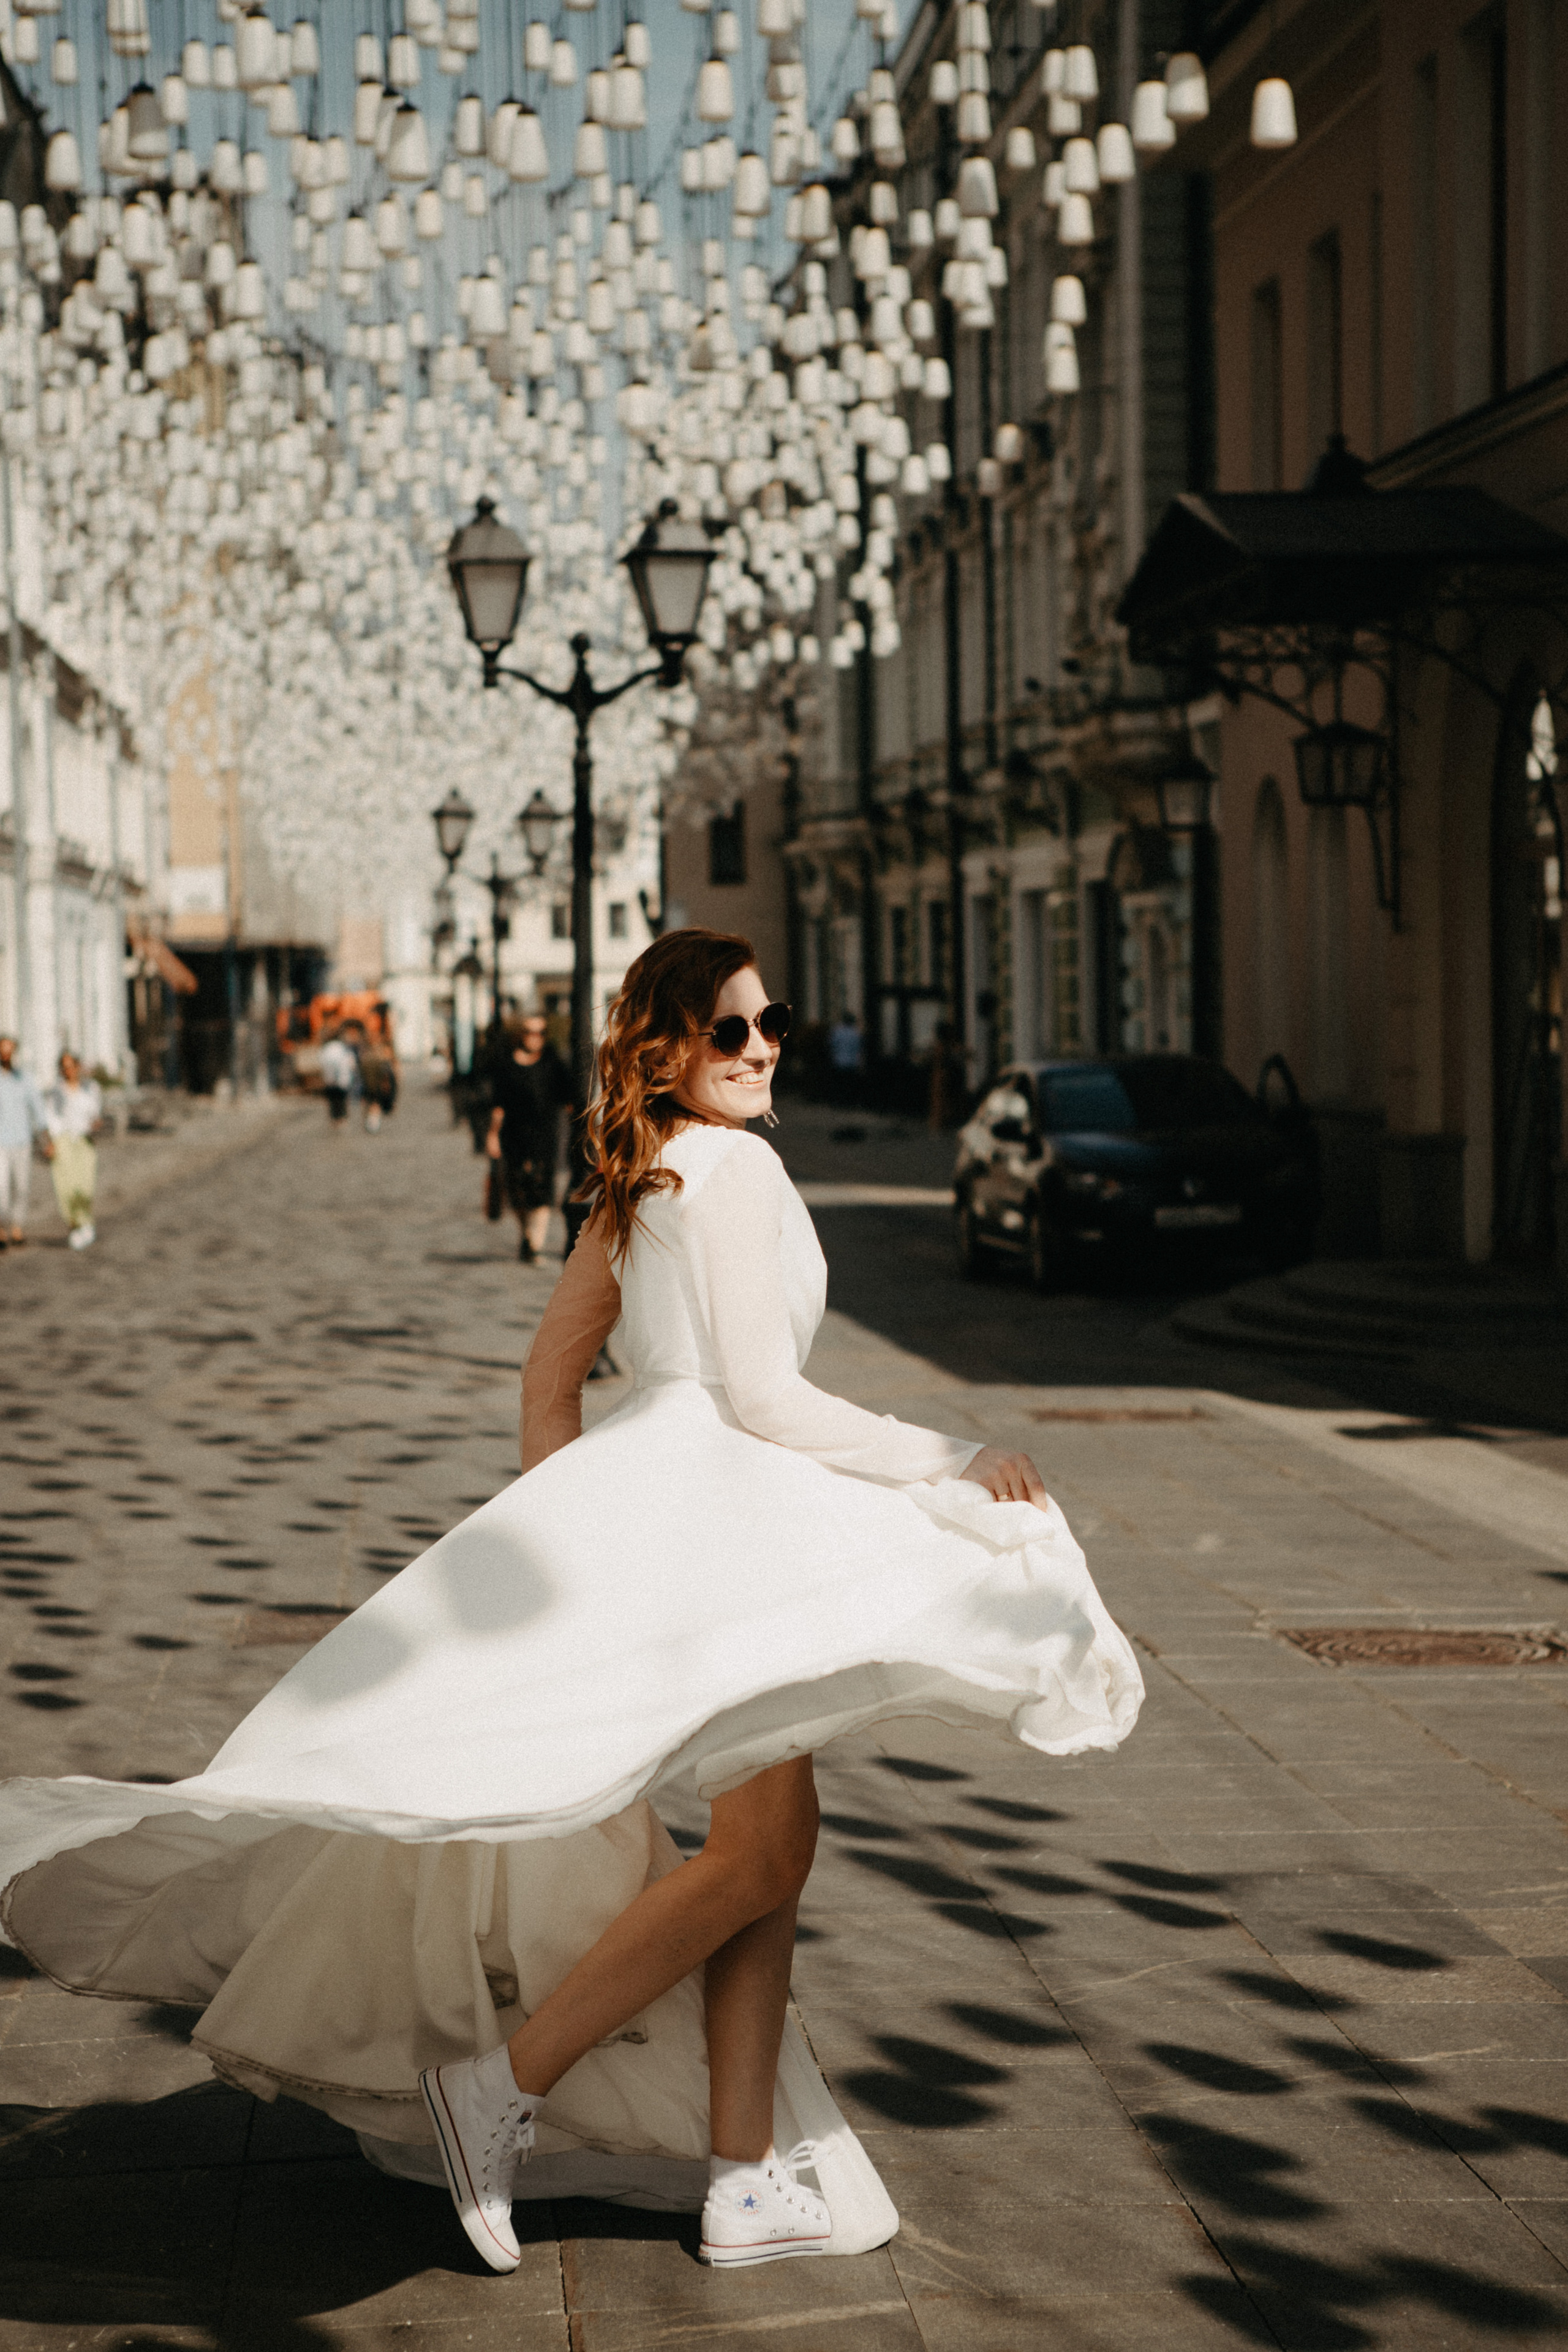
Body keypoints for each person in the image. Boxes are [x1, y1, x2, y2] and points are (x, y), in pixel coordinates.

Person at [0, 928, 1142, 2280]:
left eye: (768, 1022)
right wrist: (952, 1459)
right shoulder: (731, 1166)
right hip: (725, 1523)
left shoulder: (635, 1176)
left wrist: (580, 1551)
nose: (762, 1046)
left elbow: (550, 1380)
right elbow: (766, 1400)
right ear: (663, 1044)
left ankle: (735, 2179)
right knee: (761, 1855)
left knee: (765, 1855)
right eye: (729, 1031)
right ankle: (505, 2084)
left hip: (668, 1525)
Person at [486, 1011, 571, 1262]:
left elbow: (568, 1099)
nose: (536, 1038)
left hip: (545, 1135)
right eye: (531, 1032)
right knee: (517, 1190)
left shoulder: (552, 1062)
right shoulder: (506, 1065)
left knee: (543, 1188)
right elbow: (498, 1106)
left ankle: (535, 1243)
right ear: (520, 1035)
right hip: (514, 1135)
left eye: (541, 1033)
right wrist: (492, 1136)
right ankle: (526, 1232)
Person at [43, 1051, 103, 1250]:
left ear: (78, 1067)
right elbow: (51, 1118)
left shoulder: (90, 1088)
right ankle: (76, 1225)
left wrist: (95, 1124)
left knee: (84, 1187)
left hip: (84, 1141)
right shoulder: (55, 1092)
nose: (68, 1071)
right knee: (67, 1187)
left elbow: (95, 1113)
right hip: (63, 1141)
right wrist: (51, 1142)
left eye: (71, 1066)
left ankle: (85, 1221)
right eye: (64, 1067)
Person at [0, 1034, 50, 1249]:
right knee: (1, 1189)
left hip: (22, 1141)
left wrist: (46, 1139)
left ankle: (17, 1227)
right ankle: (1, 1229)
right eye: (3, 1050)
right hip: (1, 1143)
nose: (6, 1054)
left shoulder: (25, 1079)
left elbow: (38, 1110)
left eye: (10, 1050)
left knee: (21, 1187)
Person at [358, 1022, 399, 1136]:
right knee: (375, 1106)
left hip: (368, 1086)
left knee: (370, 1105)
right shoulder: (380, 1059)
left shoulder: (364, 1059)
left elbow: (361, 1074)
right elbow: (385, 1074)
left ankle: (370, 1124)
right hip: (377, 1086)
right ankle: (373, 1125)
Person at [318, 1027, 358, 1126]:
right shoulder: (344, 1048)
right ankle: (342, 1117)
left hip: (329, 1080)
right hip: (343, 1080)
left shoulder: (325, 1049)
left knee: (333, 1101)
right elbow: (352, 1063)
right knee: (342, 1100)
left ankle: (334, 1118)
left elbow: (321, 1063)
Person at [827, 1007, 864, 1109]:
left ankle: (839, 1103)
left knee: (839, 1084)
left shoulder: (837, 1031)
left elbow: (831, 1045)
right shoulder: (856, 1033)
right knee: (850, 1085)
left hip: (839, 1061)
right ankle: (849, 1103)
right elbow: (859, 1048)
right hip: (852, 1063)